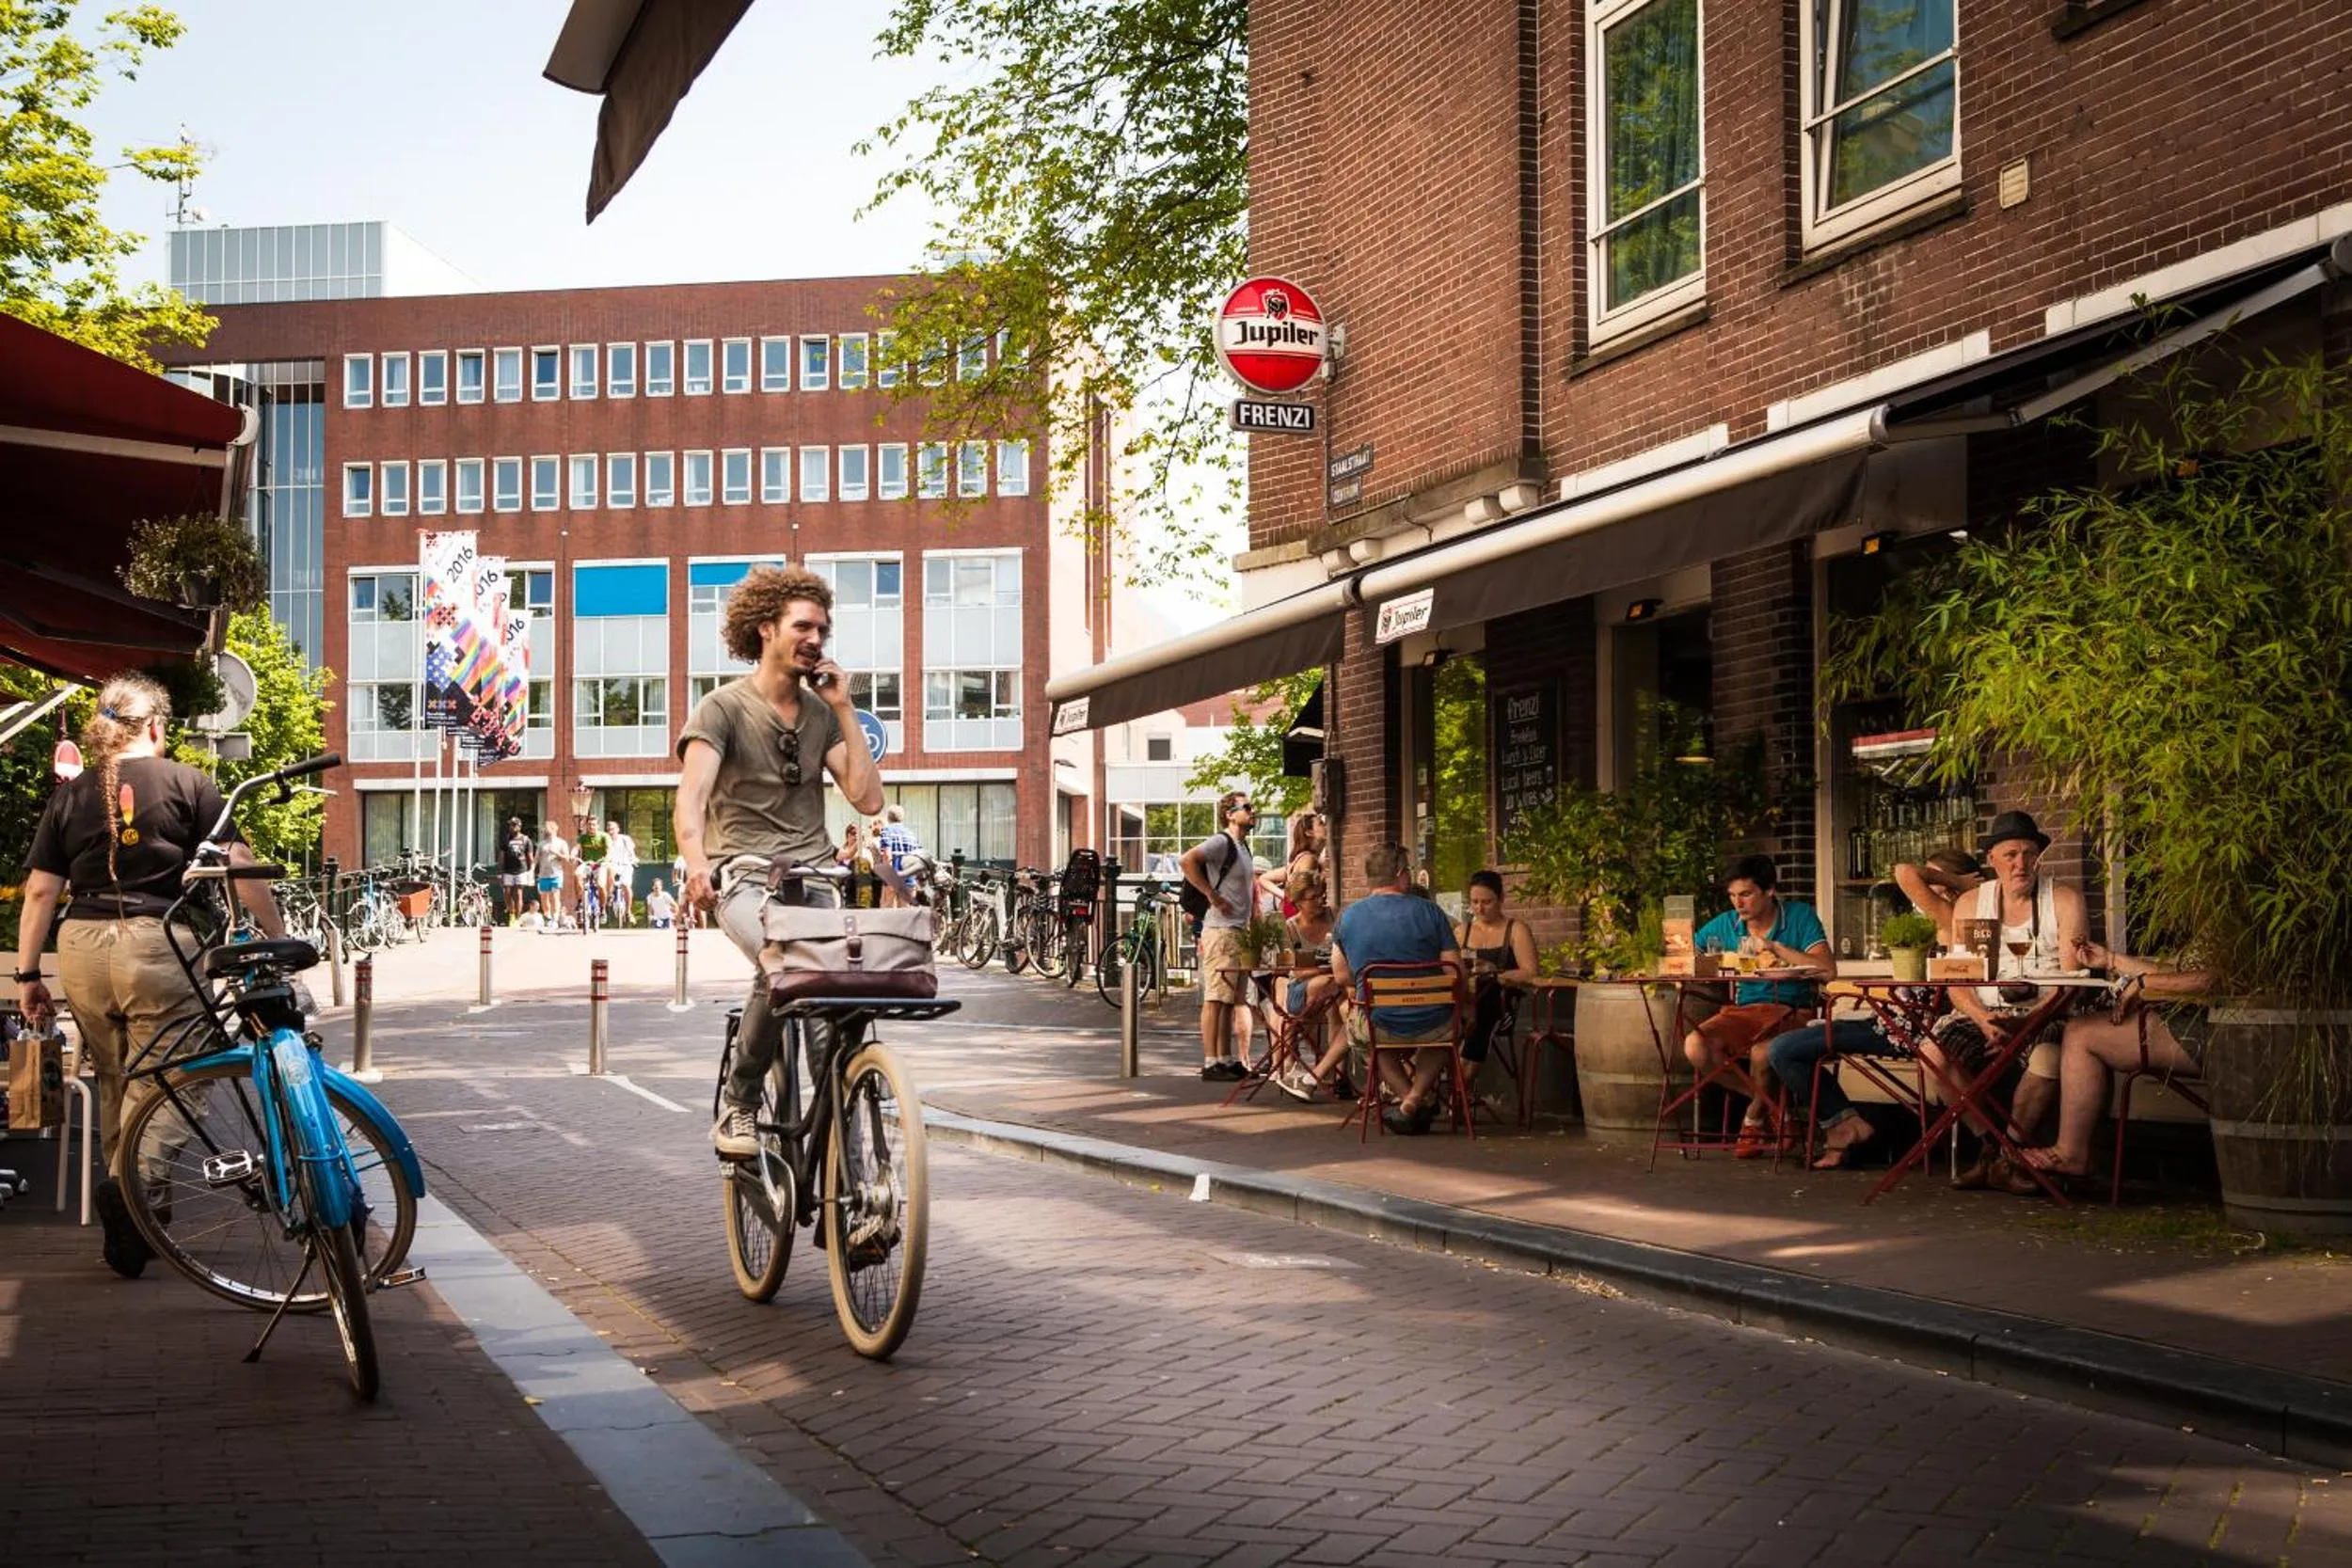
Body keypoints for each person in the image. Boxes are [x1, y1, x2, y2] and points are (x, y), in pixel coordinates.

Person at [13, 674, 286, 1277]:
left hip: (81, 945)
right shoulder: (190, 783)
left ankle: (138, 1221)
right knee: (183, 1073)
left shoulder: (70, 795)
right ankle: (132, 1187)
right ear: (157, 728)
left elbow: (40, 890)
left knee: (117, 1080)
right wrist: (275, 933)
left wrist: (30, 973)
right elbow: (238, 864)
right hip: (160, 944)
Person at [674, 564, 882, 1159]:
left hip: (816, 878)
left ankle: (851, 1175)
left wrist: (844, 708)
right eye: (804, 626)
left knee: (837, 1007)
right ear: (767, 628)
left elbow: (868, 799)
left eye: (823, 628)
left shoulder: (820, 716)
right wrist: (695, 864)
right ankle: (740, 1100)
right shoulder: (722, 708)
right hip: (744, 878)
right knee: (779, 961)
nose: (816, 638)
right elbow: (690, 795)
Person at [1933, 811, 2090, 1189]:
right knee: (1934, 1054)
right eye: (2011, 855)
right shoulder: (1972, 904)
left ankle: (2010, 1156)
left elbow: (2073, 983)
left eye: (2029, 854)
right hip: (1984, 1012)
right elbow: (1958, 979)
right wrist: (1982, 1017)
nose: (2021, 864)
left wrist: (2030, 1018)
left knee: (2049, 1056)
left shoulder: (2064, 900)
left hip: (2045, 1010)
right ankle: (1989, 1147)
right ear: (1992, 860)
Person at [2016, 938, 2213, 1192]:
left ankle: (2072, 1153)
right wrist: (2111, 960)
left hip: (2216, 1030)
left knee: (2081, 1034)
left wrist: (2144, 984)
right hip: (2194, 1019)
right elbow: (2183, 977)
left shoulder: (2239, 917)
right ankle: (2067, 1152)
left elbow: (2217, 980)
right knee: (2085, 1027)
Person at [1685, 853, 1833, 1158]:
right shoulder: (1726, 924)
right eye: (1732, 896)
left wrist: (1777, 948)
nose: (1738, 904)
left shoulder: (1799, 916)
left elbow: (1828, 970)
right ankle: (1775, 1107)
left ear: (1769, 890)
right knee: (1695, 1045)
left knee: (1762, 1053)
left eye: (1746, 894)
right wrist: (1684, 964)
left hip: (1793, 1009)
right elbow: (1687, 954)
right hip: (1744, 1010)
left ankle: (1752, 1119)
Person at [1330, 842, 1465, 1134]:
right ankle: (1415, 1099)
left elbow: (1341, 975)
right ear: (1402, 874)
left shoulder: (1347, 917)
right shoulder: (1431, 912)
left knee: (1365, 1039)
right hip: (1434, 1021)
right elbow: (1455, 972)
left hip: (1379, 1024)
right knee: (1451, 1030)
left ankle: (1409, 1099)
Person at [1181, 790, 1259, 1081]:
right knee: (1216, 997)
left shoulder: (1243, 847)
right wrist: (1211, 894)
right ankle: (1212, 1061)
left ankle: (1226, 1059)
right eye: (1247, 807)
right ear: (1230, 813)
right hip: (1221, 930)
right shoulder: (1220, 841)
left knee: (1229, 998)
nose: (1253, 812)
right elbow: (1186, 860)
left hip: (1237, 929)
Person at [1456, 869, 1538, 1089]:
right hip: (1463, 1003)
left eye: (1487, 902)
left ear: (1501, 899)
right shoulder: (1462, 932)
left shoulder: (1515, 930)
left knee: (1486, 997)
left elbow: (1530, 972)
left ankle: (1461, 1083)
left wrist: (1494, 972)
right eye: (1474, 902)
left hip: (1500, 1006)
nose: (1479, 908)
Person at [1274, 870, 1348, 1101]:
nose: (1321, 900)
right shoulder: (1289, 927)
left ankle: (1339, 1077)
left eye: (1323, 894)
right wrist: (1329, 969)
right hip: (1302, 992)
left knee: (1339, 1008)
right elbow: (1295, 971)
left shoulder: (1335, 917)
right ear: (1297, 901)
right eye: (1314, 897)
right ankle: (1333, 1074)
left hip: (1333, 989)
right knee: (1330, 984)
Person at [1893, 847, 1987, 946]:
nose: (1926, 886)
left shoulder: (1951, 915)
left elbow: (1904, 872)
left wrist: (1959, 881)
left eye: (1932, 880)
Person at [1260, 807, 1327, 917]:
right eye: (1321, 823)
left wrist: (1284, 897)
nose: (1326, 826)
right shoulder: (1309, 859)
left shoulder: (1300, 859)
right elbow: (1299, 891)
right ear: (1309, 832)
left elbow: (1264, 878)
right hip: (1302, 918)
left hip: (1294, 916)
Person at [534, 821, 570, 925]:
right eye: (545, 828)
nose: (545, 830)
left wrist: (556, 853)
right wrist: (532, 869)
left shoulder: (561, 843)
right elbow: (536, 858)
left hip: (556, 874)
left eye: (547, 828)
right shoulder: (542, 844)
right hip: (543, 874)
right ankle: (547, 915)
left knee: (555, 896)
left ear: (554, 829)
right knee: (544, 897)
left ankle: (555, 917)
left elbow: (567, 858)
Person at [604, 818, 639, 926]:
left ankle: (628, 912)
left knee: (626, 884)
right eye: (609, 829)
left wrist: (634, 859)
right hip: (612, 865)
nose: (611, 831)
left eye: (613, 829)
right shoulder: (605, 840)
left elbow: (631, 851)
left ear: (618, 829)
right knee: (609, 872)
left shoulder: (625, 839)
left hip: (625, 865)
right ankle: (609, 896)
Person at [499, 816, 532, 923]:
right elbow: (501, 856)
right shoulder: (506, 839)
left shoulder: (526, 840)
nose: (511, 827)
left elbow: (530, 856)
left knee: (518, 893)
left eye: (514, 825)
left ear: (519, 826)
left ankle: (517, 918)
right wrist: (500, 872)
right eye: (510, 825)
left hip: (521, 870)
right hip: (508, 870)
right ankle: (511, 911)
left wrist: (531, 870)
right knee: (507, 892)